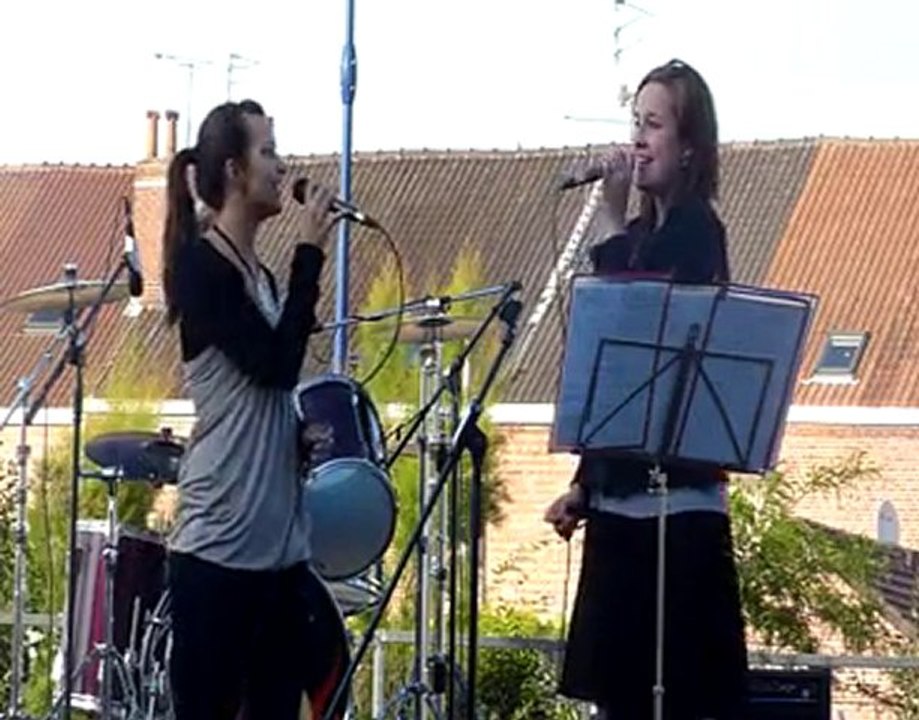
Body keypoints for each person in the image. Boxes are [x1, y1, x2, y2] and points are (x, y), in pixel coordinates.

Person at [544, 59, 747, 720]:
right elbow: (618, 379)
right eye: (635, 121)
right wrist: (585, 483)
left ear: (687, 146)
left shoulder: (697, 232)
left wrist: (605, 220)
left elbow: (638, 317)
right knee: (620, 699)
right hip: (620, 513)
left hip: (678, 514)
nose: (637, 138)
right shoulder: (634, 237)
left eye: (653, 124)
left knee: (677, 695)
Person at [161, 99, 344, 720]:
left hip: (277, 553)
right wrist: (310, 252)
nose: (282, 166)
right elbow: (274, 364)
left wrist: (291, 436)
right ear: (235, 171)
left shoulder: (260, 277)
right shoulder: (201, 269)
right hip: (218, 551)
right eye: (268, 152)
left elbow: (259, 394)